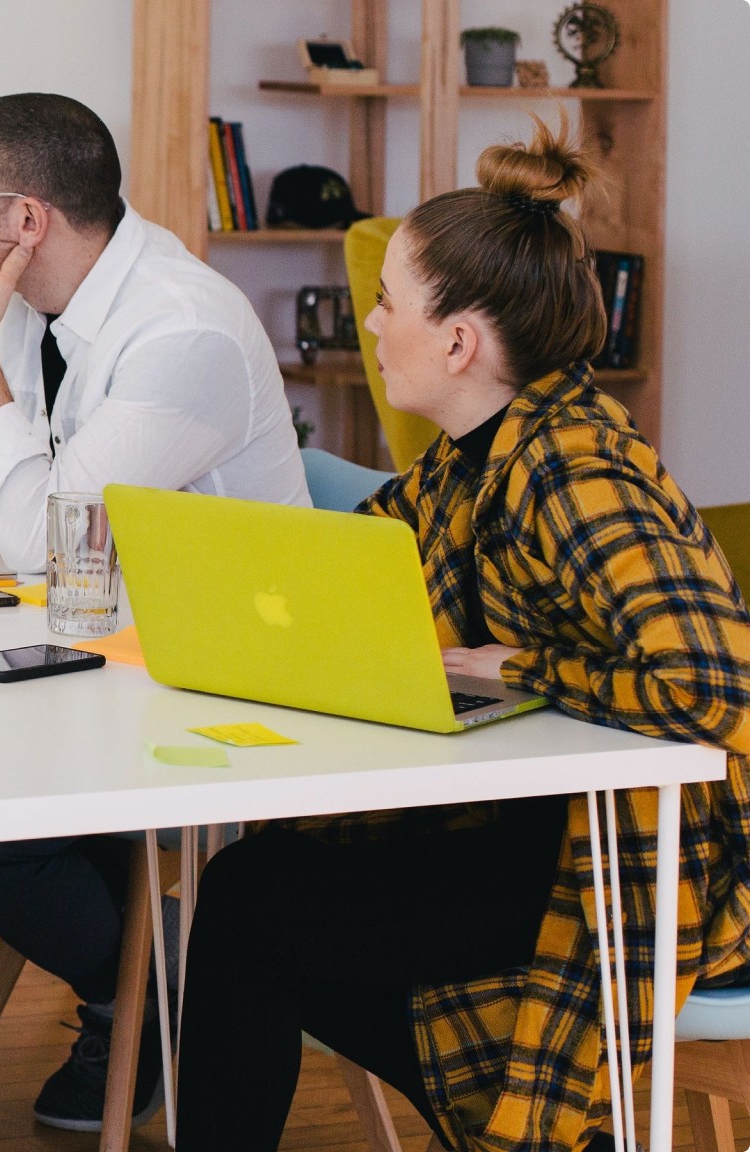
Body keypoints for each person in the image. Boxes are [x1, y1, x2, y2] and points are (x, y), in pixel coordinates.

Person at [176, 120, 750, 1151]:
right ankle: (518, 1108)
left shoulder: (572, 465)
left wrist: (521, 667)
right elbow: (353, 568)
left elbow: (717, 685)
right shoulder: (470, 455)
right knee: (260, 898)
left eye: (389, 301)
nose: (372, 318)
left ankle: (537, 1113)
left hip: (639, 853)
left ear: (458, 341)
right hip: (536, 818)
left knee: (250, 910)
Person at [0, 92, 309, 1134]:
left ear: (25, 220)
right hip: (90, 646)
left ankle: (144, 996)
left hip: (201, 681)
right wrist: (19, 493)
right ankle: (134, 965)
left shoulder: (182, 332)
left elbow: (37, 529)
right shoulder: (27, 308)